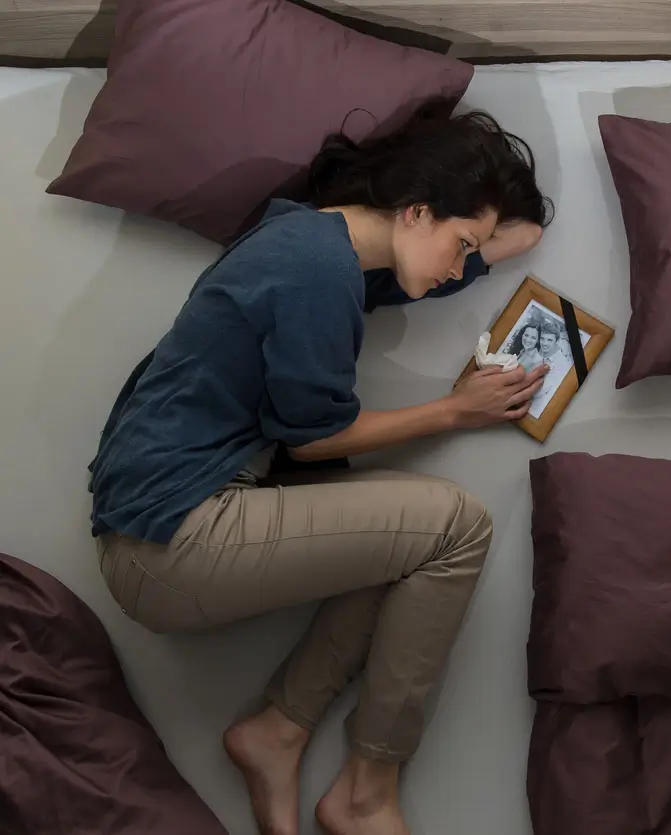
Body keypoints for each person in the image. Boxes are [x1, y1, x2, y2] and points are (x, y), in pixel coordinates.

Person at [90, 99, 552, 835]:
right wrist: (454, 410)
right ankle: (366, 789)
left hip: (163, 530)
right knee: (456, 526)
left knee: (403, 547)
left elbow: (408, 274)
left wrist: (496, 239)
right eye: (462, 242)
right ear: (414, 211)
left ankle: (276, 732)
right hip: (172, 536)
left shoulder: (314, 244)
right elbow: (313, 438)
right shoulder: (313, 268)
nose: (461, 263)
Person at [529, 319, 572, 416]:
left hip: (535, 410)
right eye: (542, 339)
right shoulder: (542, 353)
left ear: (556, 341)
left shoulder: (562, 365)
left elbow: (537, 392)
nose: (544, 343)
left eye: (549, 340)